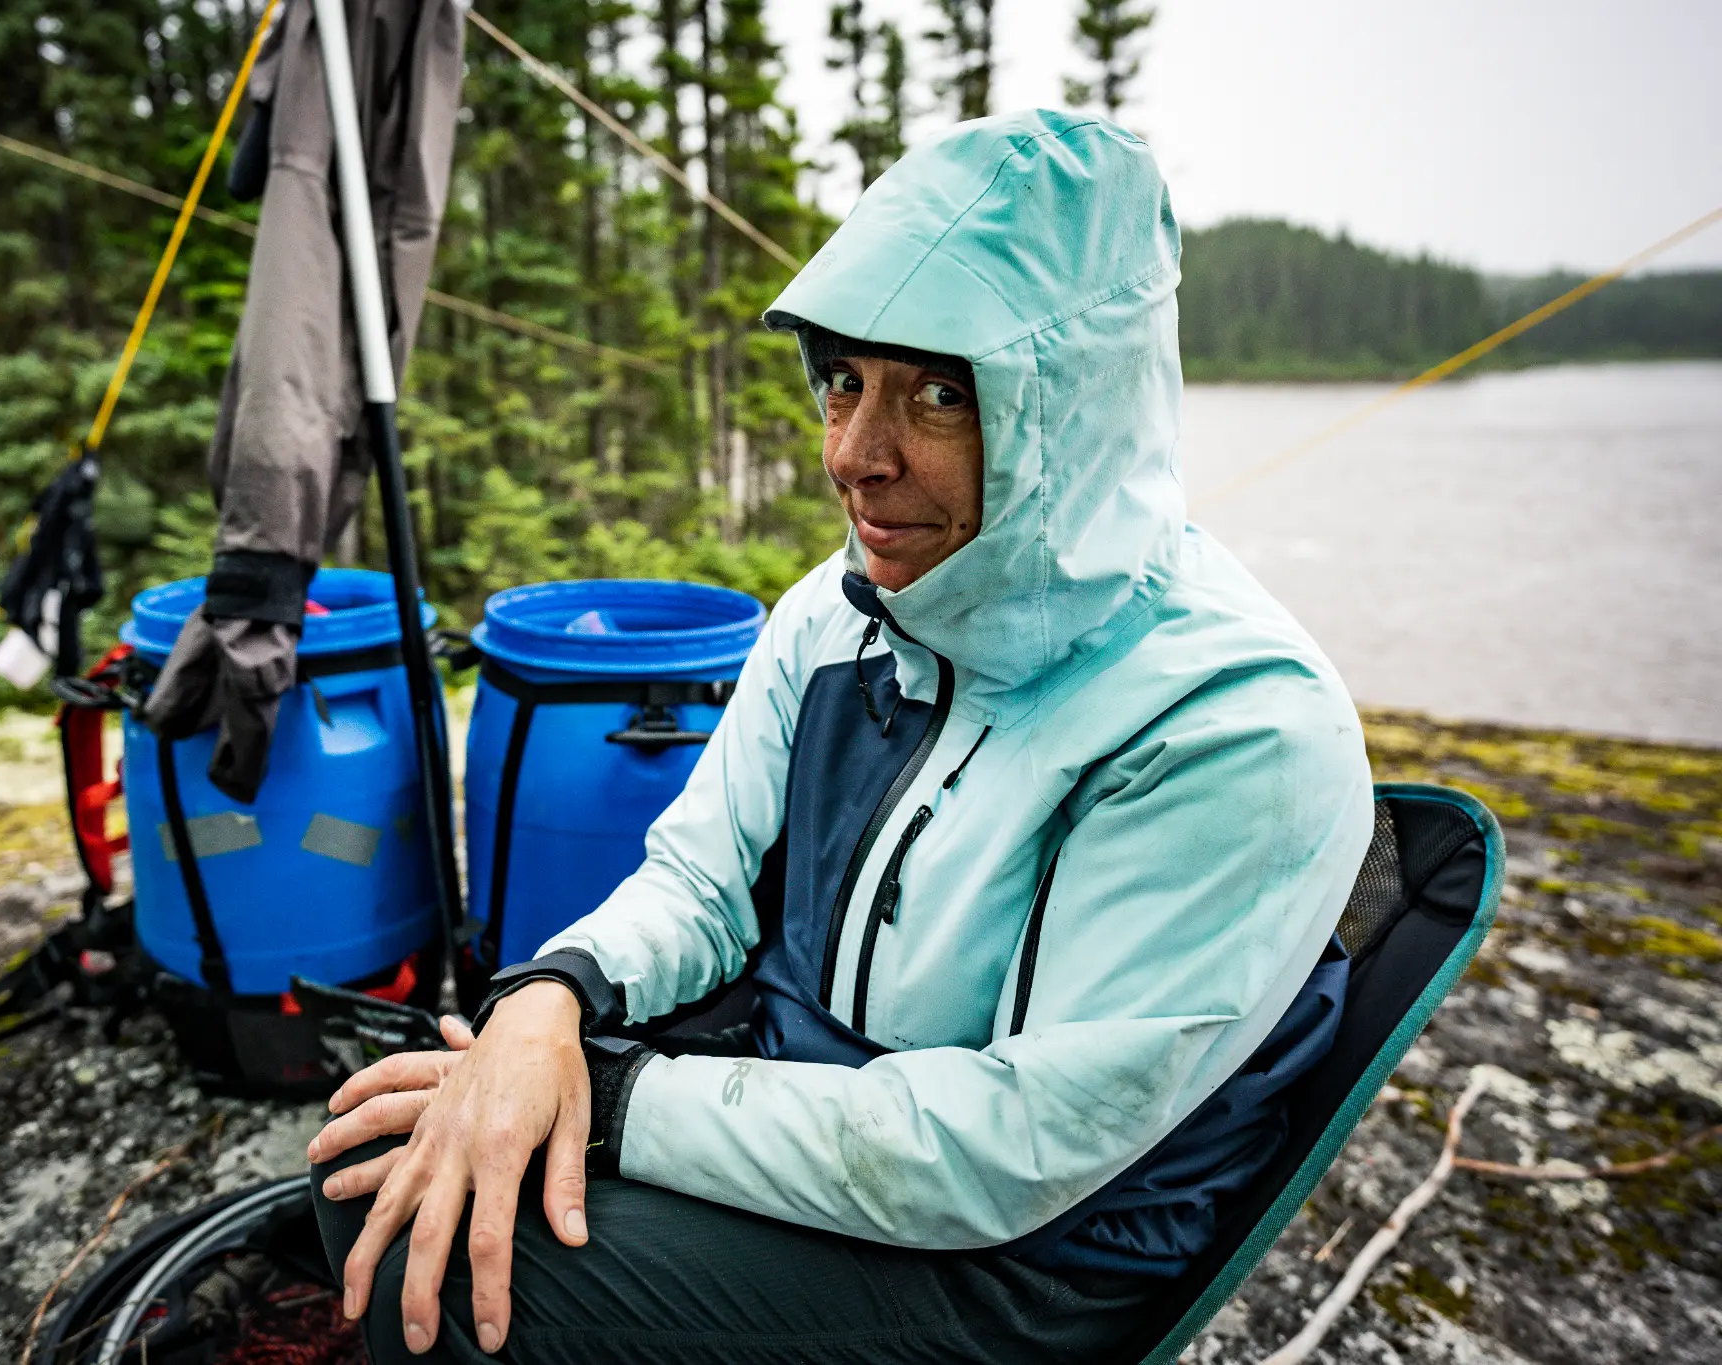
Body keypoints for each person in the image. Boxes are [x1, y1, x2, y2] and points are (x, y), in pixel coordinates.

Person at [309, 109, 1372, 1364]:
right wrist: (551, 996)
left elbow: (1004, 1154)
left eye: (935, 393)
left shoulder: (1233, 727)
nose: (854, 457)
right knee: (386, 1155)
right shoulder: (842, 613)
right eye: (843, 381)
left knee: (442, 1268)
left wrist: (613, 1102)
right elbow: (699, 878)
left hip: (1023, 1256)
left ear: (1072, 409)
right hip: (805, 1087)